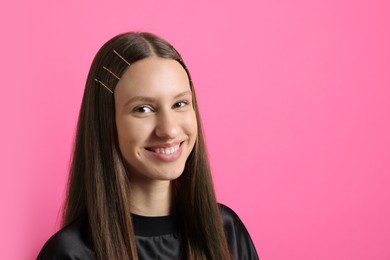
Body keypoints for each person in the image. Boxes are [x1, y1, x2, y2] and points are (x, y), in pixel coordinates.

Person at [37, 32, 259, 260]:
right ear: (106, 123)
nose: (169, 130)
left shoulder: (227, 232)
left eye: (180, 103)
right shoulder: (70, 254)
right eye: (143, 109)